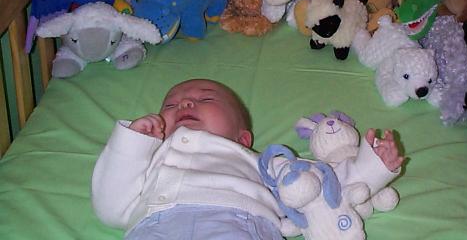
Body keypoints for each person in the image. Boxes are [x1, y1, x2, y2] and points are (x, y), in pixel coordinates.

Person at [92, 78, 404, 239]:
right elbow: (111, 208)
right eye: (170, 105)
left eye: (206, 98)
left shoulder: (263, 163)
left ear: (243, 138)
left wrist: (373, 166)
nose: (185, 103)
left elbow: (323, 189)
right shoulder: (151, 158)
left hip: (238, 225)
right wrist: (133, 143)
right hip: (157, 228)